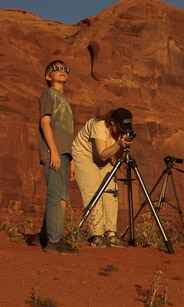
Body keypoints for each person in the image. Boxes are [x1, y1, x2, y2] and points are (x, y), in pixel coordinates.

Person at [72, 108, 134, 247]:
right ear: (112, 122)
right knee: (93, 192)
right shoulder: (99, 126)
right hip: (85, 156)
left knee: (111, 192)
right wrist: (118, 144)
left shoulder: (121, 131)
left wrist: (123, 145)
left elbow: (116, 157)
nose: (121, 130)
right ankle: (97, 235)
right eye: (120, 127)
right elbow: (102, 153)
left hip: (103, 160)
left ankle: (111, 233)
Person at [35, 60, 78, 255]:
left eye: (65, 68)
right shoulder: (49, 94)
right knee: (57, 196)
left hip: (63, 154)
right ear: (48, 76)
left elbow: (66, 133)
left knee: (60, 195)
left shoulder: (63, 99)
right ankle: (54, 241)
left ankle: (45, 236)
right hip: (54, 152)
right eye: (57, 69)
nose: (62, 71)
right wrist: (53, 150)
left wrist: (71, 160)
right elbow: (45, 123)